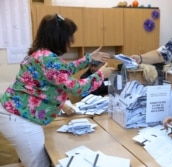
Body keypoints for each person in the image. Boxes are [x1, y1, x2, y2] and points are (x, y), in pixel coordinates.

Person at [0, 14, 113, 167]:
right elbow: (77, 88)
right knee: (40, 164)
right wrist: (100, 75)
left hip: (15, 113)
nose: (71, 42)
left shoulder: (42, 54)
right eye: (69, 37)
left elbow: (64, 70)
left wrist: (89, 58)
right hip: (20, 119)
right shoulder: (49, 60)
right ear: (59, 38)